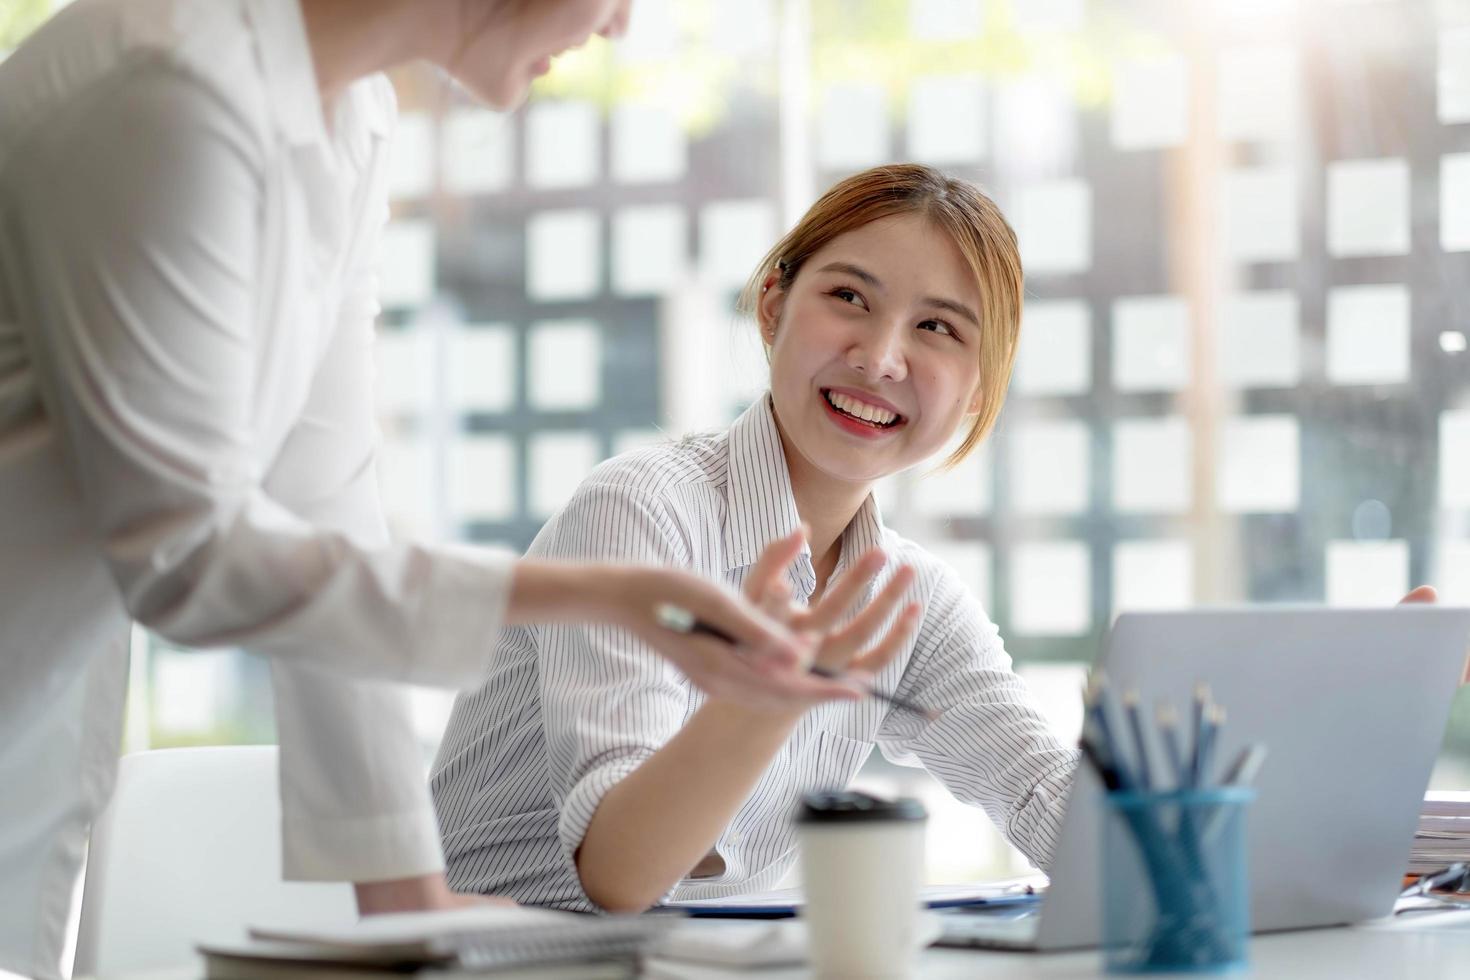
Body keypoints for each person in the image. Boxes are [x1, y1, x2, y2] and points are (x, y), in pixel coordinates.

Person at [0, 2, 860, 976]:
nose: (621, 24)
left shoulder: (349, 116)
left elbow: (326, 501)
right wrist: (602, 593)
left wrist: (405, 900)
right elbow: (186, 556)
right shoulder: (166, 88)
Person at [428, 163, 1455, 914]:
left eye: (939, 329)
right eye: (849, 299)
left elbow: (1054, 806)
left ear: (977, 390)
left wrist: (1339, 730)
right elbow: (619, 870)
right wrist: (761, 698)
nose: (880, 357)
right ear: (774, 305)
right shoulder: (638, 512)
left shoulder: (910, 591)